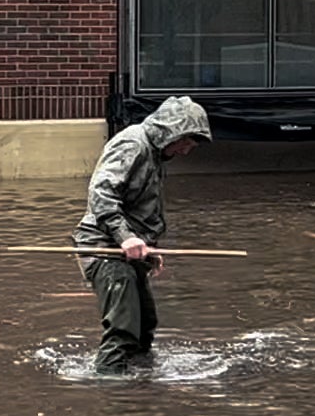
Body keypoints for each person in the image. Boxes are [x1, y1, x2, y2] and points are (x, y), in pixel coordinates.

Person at [74, 95, 212, 373]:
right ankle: (111, 388)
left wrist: (148, 248)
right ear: (172, 130)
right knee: (123, 330)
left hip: (129, 251)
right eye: (185, 142)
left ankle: (141, 384)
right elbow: (101, 193)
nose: (186, 150)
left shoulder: (155, 153)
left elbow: (141, 207)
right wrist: (126, 237)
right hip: (104, 249)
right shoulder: (133, 144)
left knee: (144, 326)